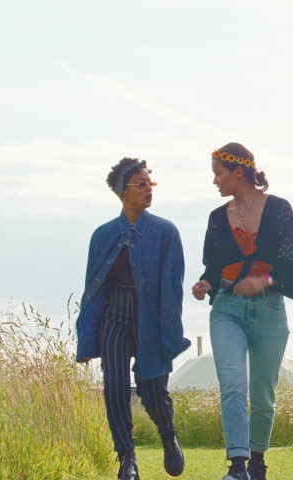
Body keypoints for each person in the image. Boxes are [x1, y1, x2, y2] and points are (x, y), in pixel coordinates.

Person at [192, 142, 293, 480]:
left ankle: (257, 461)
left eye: (218, 174)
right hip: (227, 310)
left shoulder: (280, 209)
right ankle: (237, 465)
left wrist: (262, 281)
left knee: (264, 394)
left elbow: (292, 267)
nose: (215, 182)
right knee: (233, 386)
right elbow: (213, 267)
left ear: (238, 172)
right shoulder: (216, 218)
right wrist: (205, 284)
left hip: (270, 311)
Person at [76, 157, 191, 480]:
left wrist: (170, 335)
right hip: (115, 313)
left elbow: (173, 288)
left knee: (152, 390)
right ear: (122, 191)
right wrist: (86, 339)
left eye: (149, 183)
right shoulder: (102, 235)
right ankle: (127, 460)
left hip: (151, 318)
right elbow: (92, 290)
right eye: (140, 184)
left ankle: (168, 436)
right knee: (113, 386)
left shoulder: (166, 231)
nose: (148, 189)